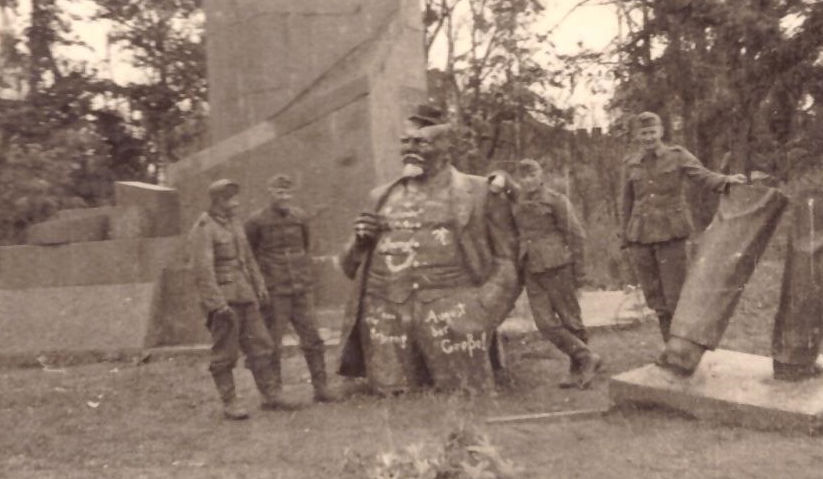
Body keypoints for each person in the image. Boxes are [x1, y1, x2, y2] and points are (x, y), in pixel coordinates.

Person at [335, 107, 520, 395]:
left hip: (453, 311)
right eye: (406, 142)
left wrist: (483, 309)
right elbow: (349, 267)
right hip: (386, 314)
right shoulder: (381, 196)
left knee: (465, 393)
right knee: (392, 395)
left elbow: (508, 260)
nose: (410, 149)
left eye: (421, 142)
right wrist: (360, 243)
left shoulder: (479, 192)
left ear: (447, 147)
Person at [620, 111, 746, 341]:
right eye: (643, 133)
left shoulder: (677, 156)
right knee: (655, 297)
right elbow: (626, 201)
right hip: (640, 236)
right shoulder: (631, 163)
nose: (648, 137)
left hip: (670, 234)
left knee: (675, 296)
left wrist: (726, 180)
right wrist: (625, 237)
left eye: (652, 132)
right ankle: (669, 346)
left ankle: (682, 347)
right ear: (637, 136)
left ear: (661, 131)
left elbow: (702, 175)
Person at [188, 178, 300, 420]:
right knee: (225, 354)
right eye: (232, 199)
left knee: (262, 346)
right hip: (225, 301)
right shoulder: (204, 227)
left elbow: (248, 258)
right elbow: (203, 271)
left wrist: (259, 286)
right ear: (220, 200)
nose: (237, 203)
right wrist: (217, 305)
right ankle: (230, 403)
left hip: (245, 296)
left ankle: (271, 395)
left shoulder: (234, 223)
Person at [507, 158, 601, 389]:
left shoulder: (556, 200)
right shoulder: (517, 201)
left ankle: (577, 370)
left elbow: (576, 236)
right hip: (530, 267)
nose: (528, 181)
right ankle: (587, 357)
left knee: (571, 320)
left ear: (541, 176)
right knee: (545, 324)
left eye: (532, 175)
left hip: (558, 266)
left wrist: (580, 271)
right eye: (523, 177)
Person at [245, 173, 338, 402]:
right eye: (279, 192)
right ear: (270, 193)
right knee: (272, 344)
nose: (284, 197)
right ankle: (274, 394)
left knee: (313, 339)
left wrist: (303, 279)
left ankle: (321, 388)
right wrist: (260, 286)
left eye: (288, 193)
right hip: (275, 291)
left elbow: (304, 247)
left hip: (301, 289)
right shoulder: (256, 221)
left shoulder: (300, 217)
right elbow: (250, 256)